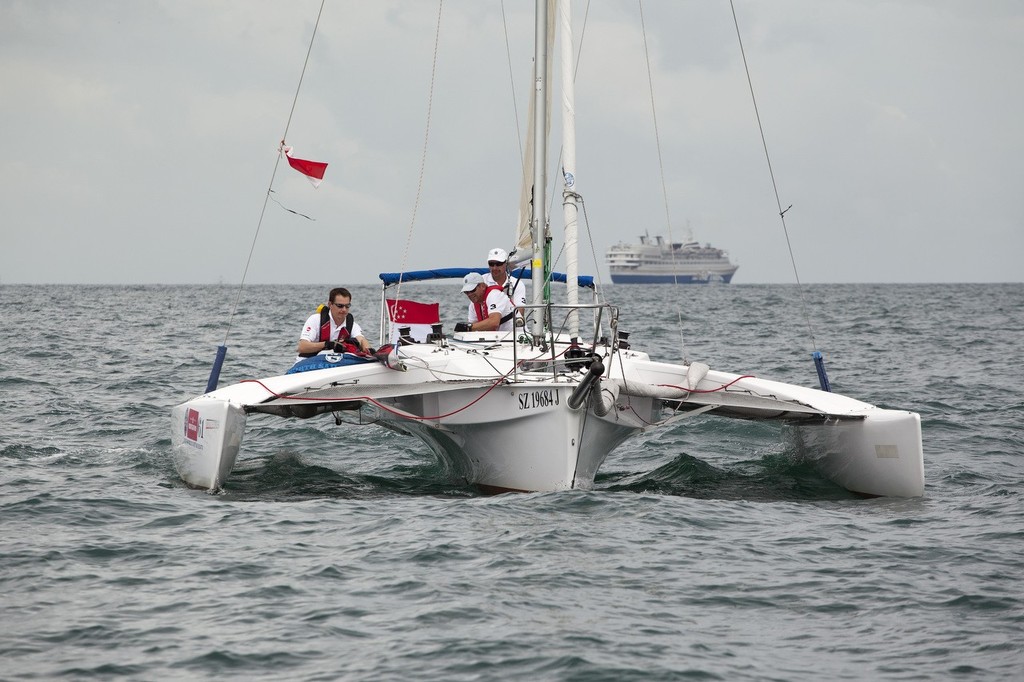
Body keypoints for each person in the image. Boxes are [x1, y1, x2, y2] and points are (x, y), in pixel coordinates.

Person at [296, 287, 372, 360]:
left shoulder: (352, 325)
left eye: (347, 306)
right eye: (340, 306)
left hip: (333, 363)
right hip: (308, 362)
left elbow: (362, 340)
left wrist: (370, 351)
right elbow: (302, 347)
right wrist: (327, 345)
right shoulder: (315, 320)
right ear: (330, 304)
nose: (344, 310)